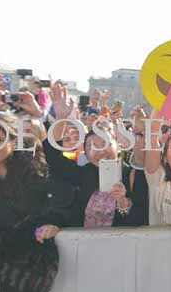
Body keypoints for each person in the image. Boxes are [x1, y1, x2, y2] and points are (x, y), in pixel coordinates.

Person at [47, 82, 147, 227]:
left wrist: (123, 202)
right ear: (86, 154)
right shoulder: (82, 174)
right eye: (91, 146)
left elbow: (141, 219)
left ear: (117, 145)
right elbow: (53, 157)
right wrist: (61, 119)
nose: (100, 150)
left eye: (105, 143)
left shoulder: (132, 175)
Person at [0, 112, 64, 237]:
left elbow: (60, 202)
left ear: (15, 141)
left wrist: (52, 222)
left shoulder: (36, 167)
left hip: (34, 244)